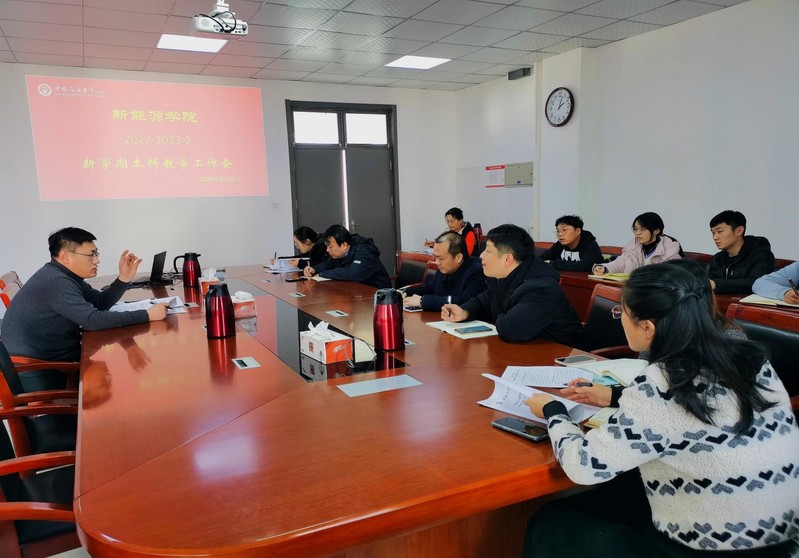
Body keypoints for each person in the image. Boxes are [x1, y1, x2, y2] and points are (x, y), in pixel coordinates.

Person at [523, 264, 799, 557]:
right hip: (781, 539)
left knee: (551, 524)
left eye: (621, 312)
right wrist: (615, 396)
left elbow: (584, 466)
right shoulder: (751, 359)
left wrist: (554, 411)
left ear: (647, 327)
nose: (620, 319)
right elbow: (697, 410)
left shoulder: (661, 381)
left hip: (711, 546)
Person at [563, 258, 746, 409]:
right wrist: (613, 395)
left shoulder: (730, 342)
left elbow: (682, 407)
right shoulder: (662, 331)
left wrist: (555, 412)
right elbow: (661, 396)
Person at [1, 227, 167, 390]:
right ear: (65, 256)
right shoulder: (56, 282)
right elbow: (93, 321)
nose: (96, 260)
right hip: (39, 370)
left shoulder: (65, 276)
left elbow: (99, 302)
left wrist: (123, 279)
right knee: (125, 381)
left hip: (56, 358)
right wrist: (147, 315)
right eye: (90, 255)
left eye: (96, 254)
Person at [440, 224, 583, 345]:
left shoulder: (542, 288)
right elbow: (483, 301)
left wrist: (498, 314)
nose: (481, 256)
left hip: (560, 358)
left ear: (507, 259)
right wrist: (465, 312)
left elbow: (511, 329)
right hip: (527, 352)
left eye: (488, 251)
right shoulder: (508, 276)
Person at [403, 231, 486, 311]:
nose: (437, 262)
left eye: (441, 258)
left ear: (458, 257)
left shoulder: (477, 271)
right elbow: (429, 289)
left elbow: (464, 302)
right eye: (435, 257)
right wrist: (405, 293)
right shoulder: (444, 269)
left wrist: (422, 301)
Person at [593, 212, 682, 276]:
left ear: (656, 230)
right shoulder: (632, 247)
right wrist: (605, 268)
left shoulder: (670, 251)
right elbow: (620, 263)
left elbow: (672, 276)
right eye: (635, 229)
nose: (637, 233)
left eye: (642, 229)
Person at [708, 210, 775, 294]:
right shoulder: (717, 259)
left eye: (720, 232)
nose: (715, 237)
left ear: (739, 231)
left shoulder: (761, 255)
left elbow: (756, 283)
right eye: (713, 233)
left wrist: (716, 284)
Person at [304, 225, 392, 289]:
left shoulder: (364, 251)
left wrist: (322, 274)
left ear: (344, 245)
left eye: (330, 247)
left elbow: (353, 274)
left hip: (378, 295)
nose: (327, 250)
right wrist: (314, 269)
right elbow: (329, 264)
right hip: (355, 292)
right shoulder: (342, 252)